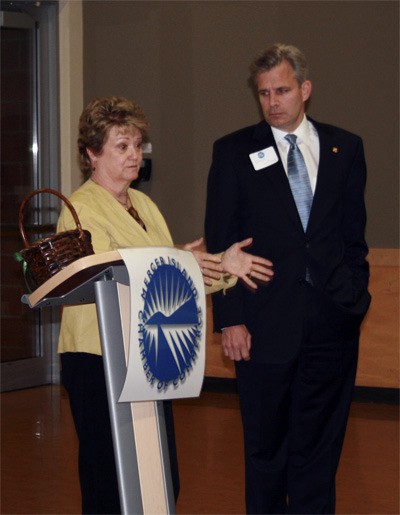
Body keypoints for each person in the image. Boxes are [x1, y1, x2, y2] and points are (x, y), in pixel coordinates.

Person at [57, 96, 273, 514]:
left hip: (149, 356)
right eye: (122, 146)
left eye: (138, 144)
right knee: (109, 481)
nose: (134, 155)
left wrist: (222, 266)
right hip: (98, 358)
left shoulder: (145, 206)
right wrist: (178, 260)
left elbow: (169, 283)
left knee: (160, 477)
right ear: (92, 153)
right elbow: (110, 274)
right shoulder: (79, 210)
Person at [205, 43, 371, 514]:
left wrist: (353, 298)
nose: (272, 101)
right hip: (261, 327)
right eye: (263, 93)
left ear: (305, 89)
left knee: (320, 451)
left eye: (281, 90)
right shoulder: (235, 151)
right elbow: (222, 242)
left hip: (331, 326)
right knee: (265, 452)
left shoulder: (346, 148)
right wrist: (230, 319)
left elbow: (352, 239)